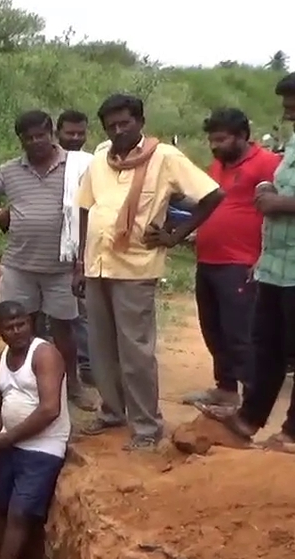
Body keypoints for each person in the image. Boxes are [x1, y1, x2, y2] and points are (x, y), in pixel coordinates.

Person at [74, 93, 224, 450]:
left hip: (136, 268)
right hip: (97, 265)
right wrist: (79, 261)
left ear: (140, 122)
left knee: (135, 352)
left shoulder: (165, 158)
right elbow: (85, 208)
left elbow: (212, 195)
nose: (118, 130)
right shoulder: (99, 161)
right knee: (101, 348)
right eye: (111, 125)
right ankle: (112, 412)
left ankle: (146, 426)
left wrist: (175, 235)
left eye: (125, 123)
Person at [0, 110, 94, 410]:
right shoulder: (11, 170)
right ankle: (29, 383)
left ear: (51, 133)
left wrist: (82, 262)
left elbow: (92, 207)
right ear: (21, 141)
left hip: (61, 267)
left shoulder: (77, 166)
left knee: (64, 329)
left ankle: (71, 386)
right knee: (23, 327)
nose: (36, 142)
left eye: (41, 135)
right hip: (20, 265)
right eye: (29, 138)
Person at [210, 73, 295, 451]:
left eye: (292, 103)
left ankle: (292, 433)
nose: (287, 110)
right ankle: (249, 418)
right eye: (285, 103)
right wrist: (266, 190)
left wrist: (280, 204)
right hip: (275, 263)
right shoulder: (292, 143)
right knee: (267, 347)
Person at [182, 108, 282, 409]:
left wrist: (263, 257)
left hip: (241, 262)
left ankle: (252, 403)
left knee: (240, 333)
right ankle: (225, 389)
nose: (215, 146)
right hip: (209, 259)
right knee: (212, 328)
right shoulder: (217, 165)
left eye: (221, 139)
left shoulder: (268, 163)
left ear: (242, 137)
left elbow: (277, 214)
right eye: (212, 140)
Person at [0, 300, 69, 559]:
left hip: (42, 448)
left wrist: (8, 439)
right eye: (10, 327)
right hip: (9, 444)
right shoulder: (0, 358)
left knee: (20, 514)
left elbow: (50, 410)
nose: (18, 330)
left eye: (22, 323)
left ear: (30, 323)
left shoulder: (44, 354)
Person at [56, 109, 95, 386]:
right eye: (70, 133)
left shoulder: (92, 164)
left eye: (81, 133)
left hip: (83, 247)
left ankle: (88, 365)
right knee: (55, 315)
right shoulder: (49, 162)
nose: (75, 138)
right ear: (58, 133)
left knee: (83, 309)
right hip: (50, 249)